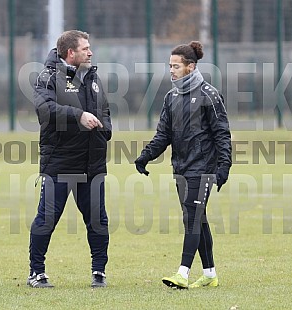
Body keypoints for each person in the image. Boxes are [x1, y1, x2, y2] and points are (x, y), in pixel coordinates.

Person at [135, 41, 232, 289]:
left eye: (176, 66)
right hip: (180, 168)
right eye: (170, 66)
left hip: (204, 169)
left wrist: (224, 166)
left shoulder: (209, 95)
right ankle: (210, 274)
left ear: (191, 66)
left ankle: (183, 273)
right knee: (197, 219)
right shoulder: (171, 97)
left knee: (192, 218)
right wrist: (145, 156)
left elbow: (222, 133)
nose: (171, 70)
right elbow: (163, 135)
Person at [27, 30, 112, 288]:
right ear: (70, 53)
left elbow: (104, 110)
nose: (91, 52)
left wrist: (105, 130)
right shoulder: (49, 77)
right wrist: (79, 115)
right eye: (86, 48)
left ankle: (99, 272)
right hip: (60, 164)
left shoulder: (92, 77)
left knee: (97, 219)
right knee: (47, 219)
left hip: (92, 163)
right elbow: (45, 110)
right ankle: (36, 272)